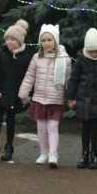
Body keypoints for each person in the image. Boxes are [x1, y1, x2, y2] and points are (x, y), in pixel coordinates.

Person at [18, 24, 73, 168]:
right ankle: (43, 152)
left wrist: (71, 96)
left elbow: (68, 80)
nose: (46, 43)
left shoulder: (64, 59)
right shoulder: (37, 58)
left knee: (53, 127)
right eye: (43, 40)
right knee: (41, 128)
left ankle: (53, 154)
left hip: (55, 99)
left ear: (55, 40)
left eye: (49, 40)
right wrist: (23, 92)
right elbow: (30, 76)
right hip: (39, 99)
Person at [66, 28, 97, 170]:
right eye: (91, 52)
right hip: (82, 100)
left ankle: (95, 156)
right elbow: (74, 79)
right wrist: (70, 97)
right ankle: (84, 155)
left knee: (95, 129)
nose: (94, 54)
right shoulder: (82, 60)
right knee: (84, 129)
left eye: (96, 51)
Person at [0, 19, 33, 162]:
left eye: (12, 39)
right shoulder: (2, 54)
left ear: (19, 41)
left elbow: (30, 76)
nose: (9, 42)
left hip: (16, 96)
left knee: (11, 121)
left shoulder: (26, 57)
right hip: (1, 94)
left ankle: (9, 146)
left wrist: (27, 95)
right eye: (7, 39)